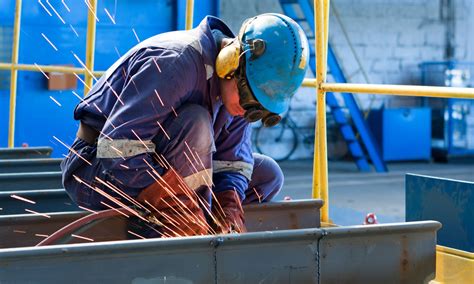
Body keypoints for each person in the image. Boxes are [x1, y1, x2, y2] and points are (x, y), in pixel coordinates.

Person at [61, 13, 309, 238]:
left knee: (269, 175)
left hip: (162, 165)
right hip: (96, 172)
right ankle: (167, 228)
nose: (247, 111)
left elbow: (234, 162)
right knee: (197, 123)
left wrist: (228, 205)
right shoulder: (176, 63)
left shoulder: (238, 92)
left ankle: (199, 220)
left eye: (258, 110)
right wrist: (179, 210)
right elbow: (116, 151)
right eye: (249, 99)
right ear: (231, 62)